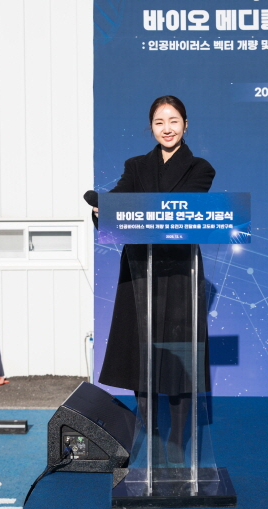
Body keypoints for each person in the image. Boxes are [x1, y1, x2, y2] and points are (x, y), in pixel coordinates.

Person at [85, 95, 214, 467]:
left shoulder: (201, 168)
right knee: (140, 351)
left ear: (185, 124)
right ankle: (150, 430)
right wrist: (104, 208)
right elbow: (119, 201)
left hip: (179, 270)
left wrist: (128, 207)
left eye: (173, 121)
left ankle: (176, 437)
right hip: (140, 267)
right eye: (159, 122)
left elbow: (177, 211)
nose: (167, 129)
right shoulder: (136, 166)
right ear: (151, 127)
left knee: (178, 353)